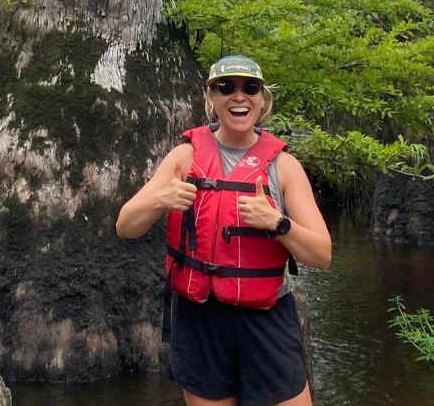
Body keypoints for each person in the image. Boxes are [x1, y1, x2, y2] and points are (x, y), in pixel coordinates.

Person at [116, 55, 332, 406]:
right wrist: (161, 200)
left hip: (266, 320)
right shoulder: (183, 158)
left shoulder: (284, 167)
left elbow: (322, 255)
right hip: (199, 319)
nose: (239, 96)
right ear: (212, 98)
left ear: (263, 99)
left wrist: (277, 223)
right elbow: (126, 225)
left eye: (250, 88)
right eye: (226, 87)